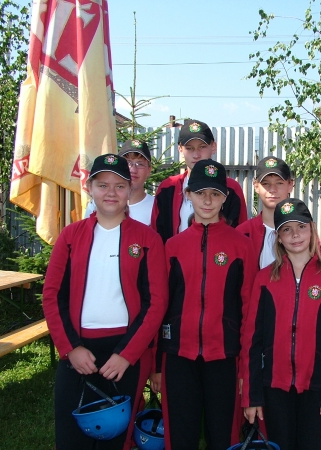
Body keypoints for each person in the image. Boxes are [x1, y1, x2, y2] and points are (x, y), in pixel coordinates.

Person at [42, 154, 168, 450]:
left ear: (129, 189)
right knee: (70, 437)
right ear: (90, 188)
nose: (111, 192)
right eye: (103, 185)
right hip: (78, 350)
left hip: (123, 353)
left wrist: (127, 354)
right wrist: (70, 348)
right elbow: (52, 295)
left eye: (119, 186)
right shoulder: (70, 236)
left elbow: (156, 302)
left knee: (116, 440)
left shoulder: (148, 239)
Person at [151, 159, 256, 450]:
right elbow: (160, 308)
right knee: (180, 436)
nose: (207, 200)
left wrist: (246, 368)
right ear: (188, 195)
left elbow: (249, 309)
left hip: (224, 356)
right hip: (178, 357)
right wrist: (157, 363)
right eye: (200, 193)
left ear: (225, 197)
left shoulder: (242, 246)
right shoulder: (173, 246)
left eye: (215, 194)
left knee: (222, 436)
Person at [240, 198, 321, 450]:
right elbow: (252, 341)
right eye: (287, 229)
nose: (295, 235)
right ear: (279, 237)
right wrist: (252, 395)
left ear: (311, 229)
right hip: (273, 387)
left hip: (318, 388)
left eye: (301, 227)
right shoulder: (265, 279)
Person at [151, 119, 247, 242]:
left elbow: (240, 234)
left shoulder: (231, 188)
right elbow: (156, 236)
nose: (196, 155)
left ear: (213, 147)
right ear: (180, 149)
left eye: (202, 147)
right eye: (189, 148)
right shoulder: (167, 188)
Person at [237, 155, 294, 269]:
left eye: (279, 183)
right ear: (256, 186)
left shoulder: (304, 233)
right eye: (266, 184)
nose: (272, 190)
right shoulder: (242, 233)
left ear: (290, 185)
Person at [84, 139, 155, 225]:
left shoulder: (156, 206)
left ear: (149, 170)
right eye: (128, 163)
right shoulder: (97, 205)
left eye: (140, 164)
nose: (133, 170)